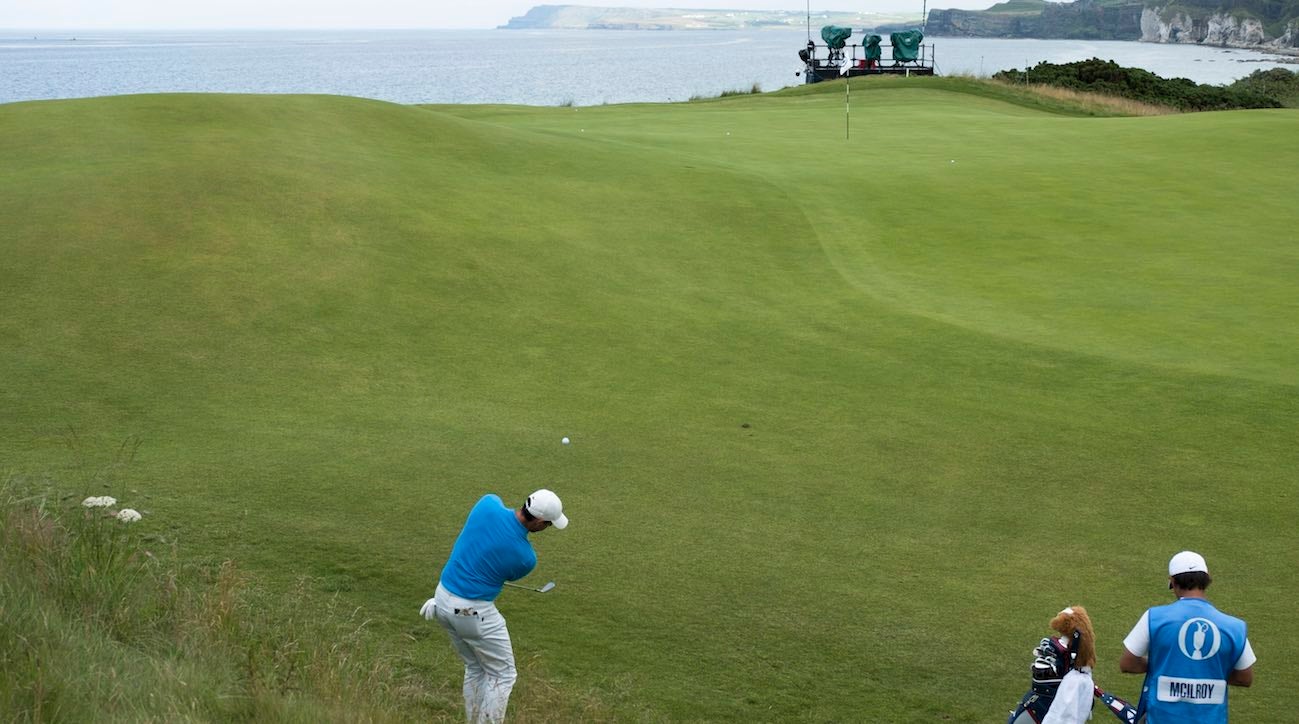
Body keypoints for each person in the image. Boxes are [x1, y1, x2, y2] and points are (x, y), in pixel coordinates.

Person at [419, 489, 569, 724]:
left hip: (441, 599)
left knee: (475, 667)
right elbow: (506, 571)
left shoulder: (487, 503)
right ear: (539, 522)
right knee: (503, 674)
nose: (546, 529)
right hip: (471, 613)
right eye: (548, 525)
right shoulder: (526, 558)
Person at [1119, 551, 1255, 723]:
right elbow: (1245, 677)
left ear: (1174, 582)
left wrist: (1162, 665)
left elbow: (1127, 663)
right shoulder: (1234, 627)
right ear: (1207, 580)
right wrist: (1209, 673)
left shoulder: (1153, 618)